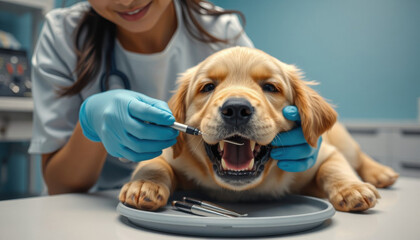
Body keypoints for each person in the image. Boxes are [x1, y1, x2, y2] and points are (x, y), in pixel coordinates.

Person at [29, 0, 320, 195]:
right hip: (91, 209)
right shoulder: (62, 34)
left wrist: (299, 137)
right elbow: (59, 185)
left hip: (190, 201)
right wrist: (90, 125)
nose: (127, 1)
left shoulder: (221, 31)